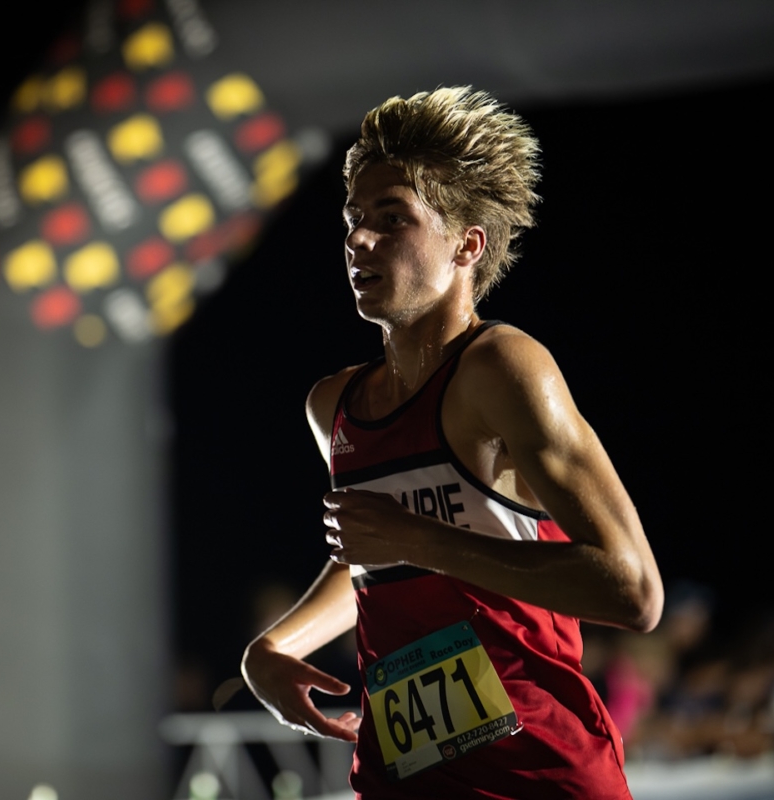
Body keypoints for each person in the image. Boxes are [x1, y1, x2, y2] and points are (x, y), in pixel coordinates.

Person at [240, 87, 663, 798]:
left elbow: (633, 590)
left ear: (467, 244)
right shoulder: (332, 406)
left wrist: (418, 538)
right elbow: (373, 558)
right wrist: (271, 649)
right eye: (353, 219)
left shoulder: (501, 368)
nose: (359, 240)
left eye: (392, 218)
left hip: (536, 775)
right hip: (402, 776)